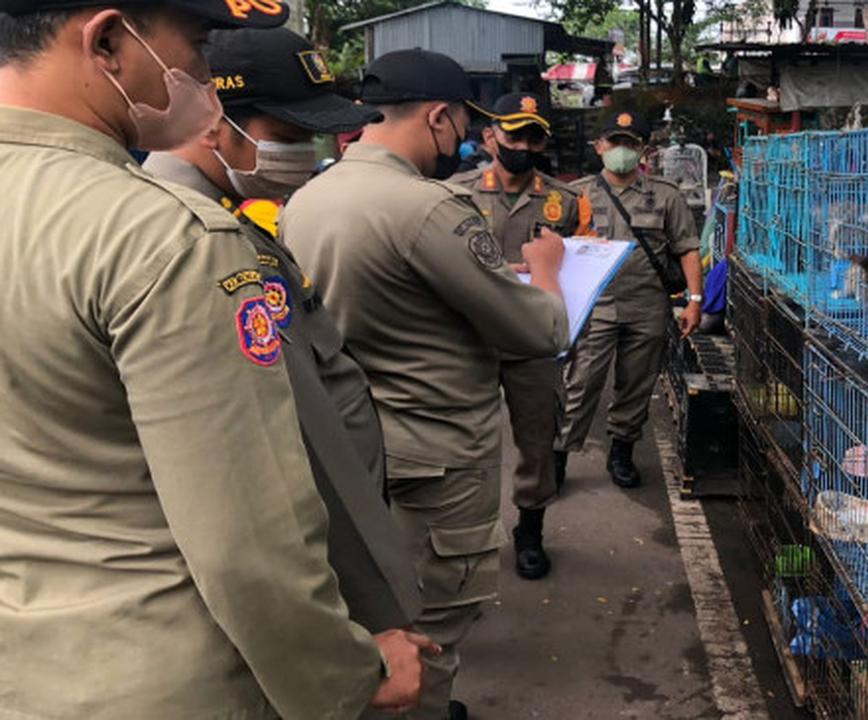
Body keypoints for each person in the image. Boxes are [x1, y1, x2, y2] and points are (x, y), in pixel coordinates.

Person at [0, 1, 433, 719]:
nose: (205, 76)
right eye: (197, 46)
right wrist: (352, 673)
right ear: (108, 40)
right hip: (167, 675)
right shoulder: (162, 239)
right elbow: (249, 546)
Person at [281, 49, 570, 720]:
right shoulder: (427, 210)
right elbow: (539, 330)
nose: (465, 139)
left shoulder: (308, 198)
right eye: (465, 124)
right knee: (431, 632)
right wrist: (547, 268)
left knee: (376, 612)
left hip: (354, 447)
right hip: (435, 457)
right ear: (439, 116)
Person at [142, 25, 423, 642]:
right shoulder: (201, 247)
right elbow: (305, 442)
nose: (305, 152)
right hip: (301, 582)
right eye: (289, 137)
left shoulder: (214, 221)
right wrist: (378, 615)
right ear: (212, 120)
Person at [452, 92, 579, 581]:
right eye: (514, 134)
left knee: (537, 438)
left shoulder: (564, 202)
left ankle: (530, 529)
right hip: (472, 338)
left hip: (531, 341)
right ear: (490, 137)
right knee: (464, 441)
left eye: (534, 136)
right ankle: (464, 534)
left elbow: (580, 264)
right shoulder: (456, 194)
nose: (523, 145)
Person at [556, 111, 704, 489]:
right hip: (594, 308)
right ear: (599, 146)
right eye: (614, 142)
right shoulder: (577, 195)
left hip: (647, 307)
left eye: (630, 143)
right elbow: (552, 247)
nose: (621, 150)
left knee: (636, 385)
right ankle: (556, 455)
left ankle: (621, 451)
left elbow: (687, 248)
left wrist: (694, 300)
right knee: (581, 384)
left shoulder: (665, 195)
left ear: (643, 150)